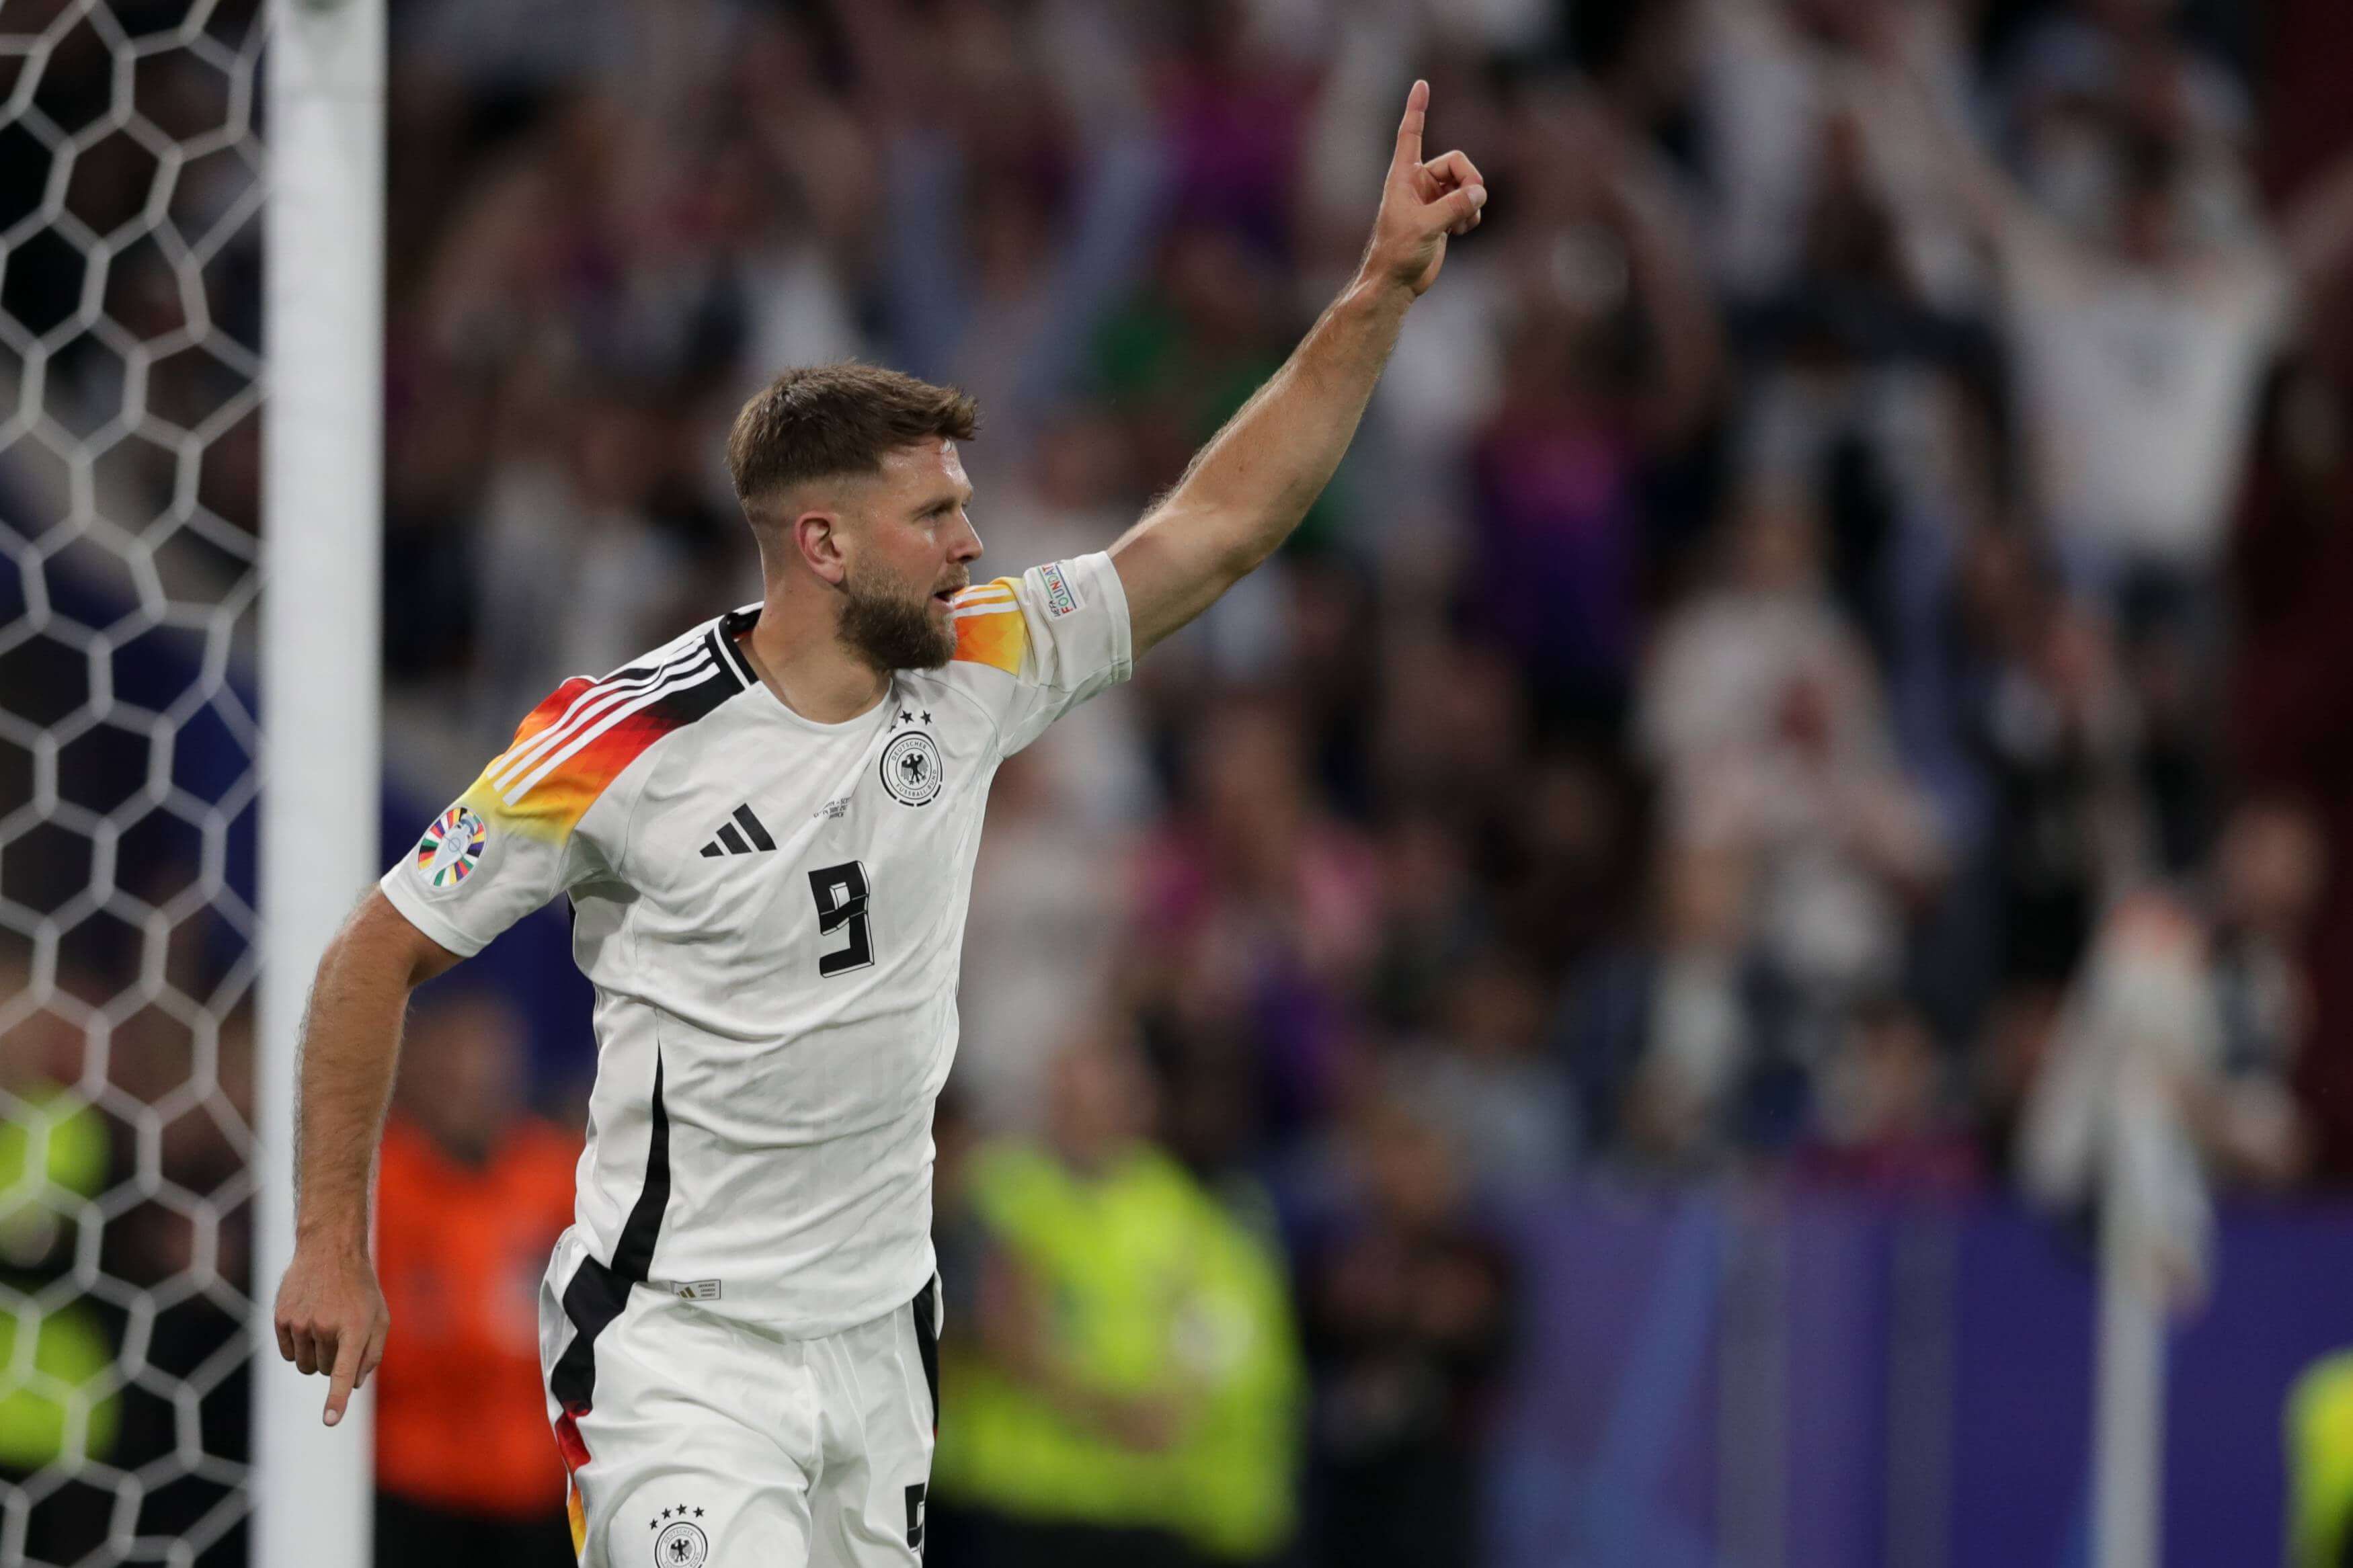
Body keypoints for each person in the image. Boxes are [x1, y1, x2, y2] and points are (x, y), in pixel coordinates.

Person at [271, 81, 1486, 1568]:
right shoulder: (619, 741)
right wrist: (333, 1236)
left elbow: (1217, 530)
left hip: (879, 1342)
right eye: (937, 518)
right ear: (825, 544)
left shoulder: (975, 663)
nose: (975, 544)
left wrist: (1374, 296)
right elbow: (372, 952)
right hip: (678, 1353)